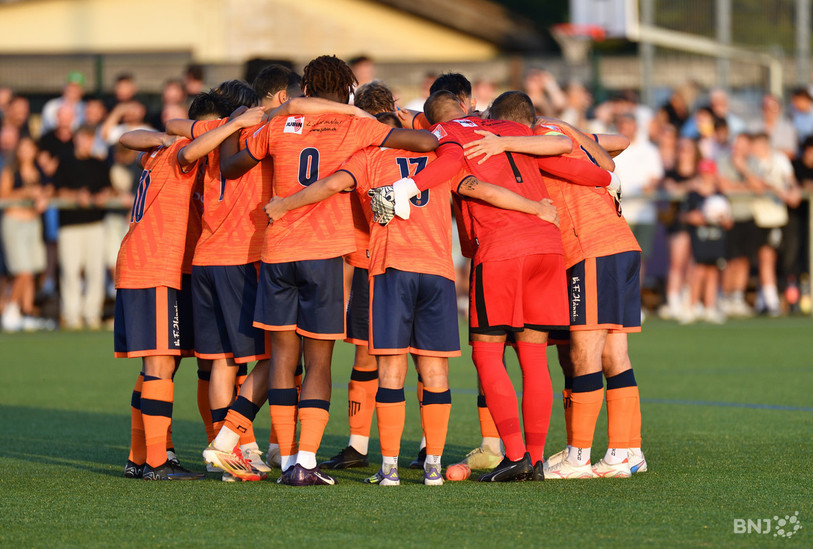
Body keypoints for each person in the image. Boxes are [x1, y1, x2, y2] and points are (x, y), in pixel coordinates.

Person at [211, 55, 437, 486]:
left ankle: (285, 456)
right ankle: (306, 464)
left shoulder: (280, 124)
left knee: (281, 357)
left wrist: (233, 124)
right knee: (318, 361)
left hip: (277, 250)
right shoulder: (357, 125)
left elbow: (231, 165)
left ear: (307, 87)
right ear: (348, 88)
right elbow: (424, 143)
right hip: (325, 253)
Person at [461, 92, 646, 479]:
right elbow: (616, 143)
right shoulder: (558, 130)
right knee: (615, 353)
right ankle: (627, 450)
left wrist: (506, 142)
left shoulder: (539, 141)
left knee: (585, 352)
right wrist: (586, 146)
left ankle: (579, 457)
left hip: (590, 247)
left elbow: (565, 147)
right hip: (620, 244)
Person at [115, 92, 264, 481]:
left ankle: (142, 454)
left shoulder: (163, 152)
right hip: (156, 264)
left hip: (173, 266)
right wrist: (230, 126)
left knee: (171, 363)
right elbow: (179, 147)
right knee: (160, 366)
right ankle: (157, 463)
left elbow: (129, 137)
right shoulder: (184, 152)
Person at [52, 125, 112, 330]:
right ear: (76, 139)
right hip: (70, 225)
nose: (86, 142)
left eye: (89, 138)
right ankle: (71, 315)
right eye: (83, 138)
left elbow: (107, 188)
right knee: (70, 271)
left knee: (95, 271)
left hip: (95, 224)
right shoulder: (64, 162)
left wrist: (104, 195)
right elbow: (56, 191)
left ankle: (92, 314)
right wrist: (76, 197)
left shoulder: (99, 164)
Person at [0, 137, 51, 331]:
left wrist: (43, 196)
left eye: (29, 148)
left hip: (33, 223)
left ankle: (25, 310)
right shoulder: (10, 171)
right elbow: (3, 195)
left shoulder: (39, 171)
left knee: (31, 271)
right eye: (22, 148)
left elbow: (49, 187)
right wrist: (27, 192)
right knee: (22, 271)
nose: (25, 152)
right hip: (14, 222)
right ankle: (10, 309)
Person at [681, 159, 731, 324]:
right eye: (704, 173)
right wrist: (696, 218)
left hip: (716, 236)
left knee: (713, 271)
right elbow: (685, 215)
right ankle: (693, 306)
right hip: (700, 237)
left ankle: (710, 307)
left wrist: (722, 220)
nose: (707, 177)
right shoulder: (693, 195)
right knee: (698, 270)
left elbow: (728, 220)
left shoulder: (720, 196)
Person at [659, 137, 701, 321]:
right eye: (681, 148)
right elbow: (672, 191)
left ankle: (689, 300)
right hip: (678, 222)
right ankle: (673, 299)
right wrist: (689, 186)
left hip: (699, 221)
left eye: (688, 149)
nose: (684, 152)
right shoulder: (671, 173)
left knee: (694, 263)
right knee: (677, 262)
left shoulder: (700, 172)